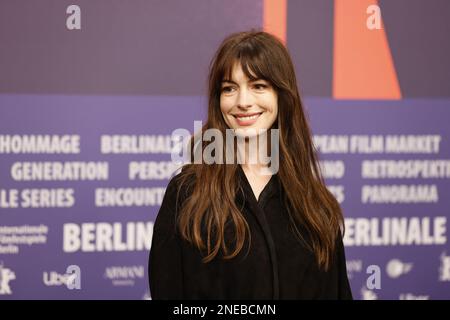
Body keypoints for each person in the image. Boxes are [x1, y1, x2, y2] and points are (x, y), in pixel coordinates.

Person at [148, 30, 353, 300]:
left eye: (258, 86)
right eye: (230, 88)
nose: (243, 102)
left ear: (282, 95)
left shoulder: (316, 205)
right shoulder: (187, 193)